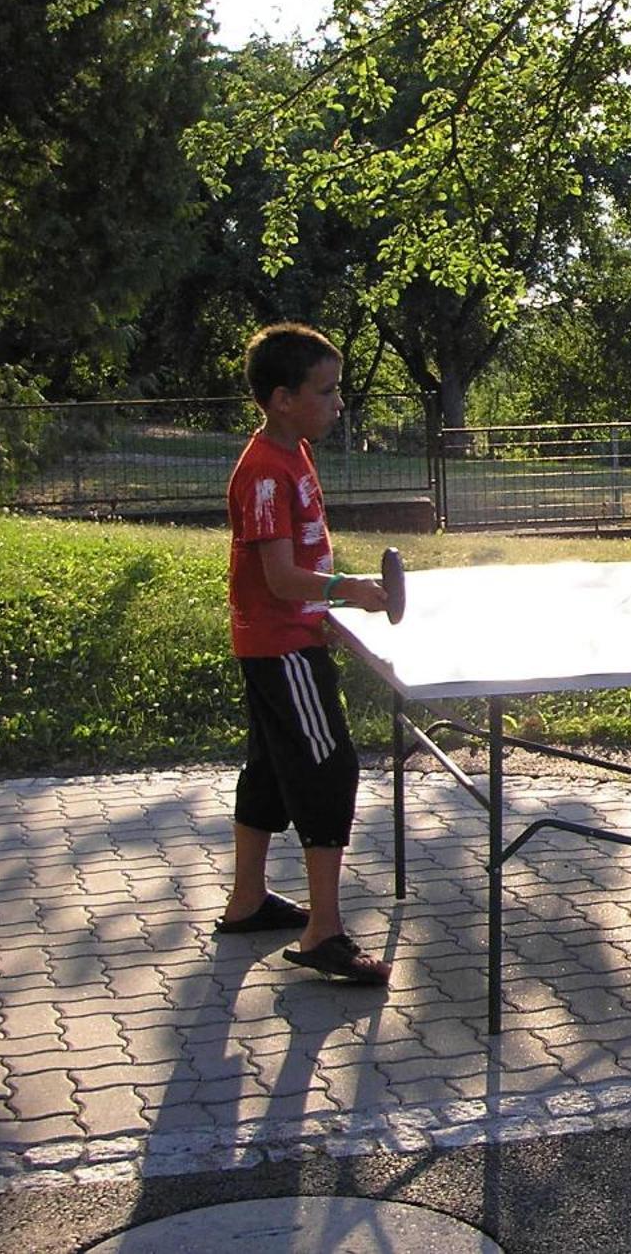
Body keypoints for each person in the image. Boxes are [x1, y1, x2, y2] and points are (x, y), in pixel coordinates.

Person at [216, 322, 392, 985]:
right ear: (284, 398)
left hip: (287, 638)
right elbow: (280, 579)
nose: (338, 403)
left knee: (268, 770)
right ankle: (324, 933)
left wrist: (329, 613)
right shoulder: (264, 471)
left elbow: (297, 570)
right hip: (281, 648)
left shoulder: (294, 453)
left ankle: (248, 900)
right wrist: (344, 592)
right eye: (327, 391)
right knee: (328, 767)